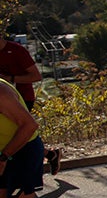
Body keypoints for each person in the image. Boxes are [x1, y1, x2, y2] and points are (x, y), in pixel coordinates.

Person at [0, 36, 61, 175]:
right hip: (3, 100)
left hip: (22, 98)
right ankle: (51, 155)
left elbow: (36, 76)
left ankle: (42, 158)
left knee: (21, 132)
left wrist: (11, 79)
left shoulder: (17, 50)